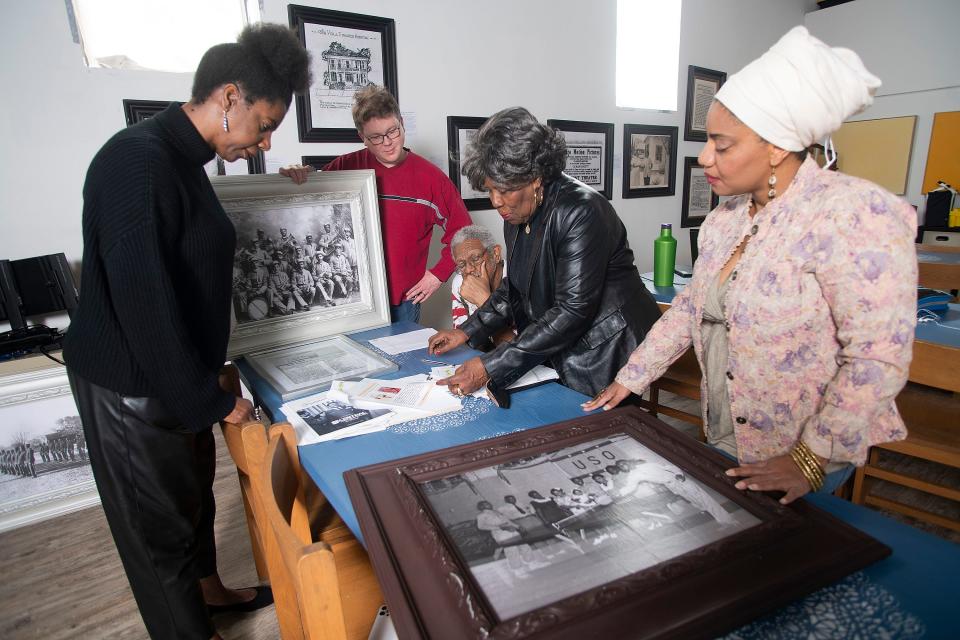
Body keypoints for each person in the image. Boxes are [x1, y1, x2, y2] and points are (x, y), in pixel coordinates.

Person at [584, 26, 916, 506]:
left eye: (722, 145)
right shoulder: (725, 218)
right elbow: (688, 310)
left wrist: (811, 457)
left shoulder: (855, 214)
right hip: (725, 425)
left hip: (802, 451)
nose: (704, 158)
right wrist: (631, 377)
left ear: (777, 146)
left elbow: (876, 359)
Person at [62, 24, 310, 640]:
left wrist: (213, 370)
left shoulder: (185, 160)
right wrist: (210, 401)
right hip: (130, 386)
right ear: (230, 97)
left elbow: (188, 282)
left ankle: (213, 594)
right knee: (160, 541)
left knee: (193, 502)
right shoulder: (137, 162)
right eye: (265, 122)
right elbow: (145, 307)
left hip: (180, 374)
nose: (266, 139)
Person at [427, 107, 661, 400]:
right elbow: (515, 289)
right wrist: (467, 331)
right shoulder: (517, 211)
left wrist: (490, 365)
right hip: (562, 345)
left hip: (605, 349)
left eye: (504, 189)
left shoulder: (582, 211)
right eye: (489, 190)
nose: (496, 202)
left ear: (535, 177)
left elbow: (571, 312)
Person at [281, 85, 472, 322]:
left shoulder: (432, 179)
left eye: (393, 131)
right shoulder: (345, 167)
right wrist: (298, 175)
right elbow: (312, 196)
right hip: (354, 298)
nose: (388, 142)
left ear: (401, 122)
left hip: (403, 302)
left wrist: (437, 275)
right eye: (376, 137)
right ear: (362, 137)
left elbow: (465, 233)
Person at [449, 225, 515, 348]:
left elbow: (518, 354)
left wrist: (485, 303)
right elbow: (467, 344)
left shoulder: (520, 281)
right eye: (462, 264)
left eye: (476, 258)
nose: (469, 269)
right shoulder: (460, 283)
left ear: (495, 254)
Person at [616, 459, 735, 526]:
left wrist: (679, 474)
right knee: (698, 503)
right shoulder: (633, 475)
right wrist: (618, 494)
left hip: (679, 480)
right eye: (620, 467)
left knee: (705, 500)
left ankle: (728, 520)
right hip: (672, 486)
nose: (622, 466)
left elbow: (669, 467)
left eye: (622, 463)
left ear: (627, 462)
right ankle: (723, 520)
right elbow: (629, 487)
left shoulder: (648, 464)